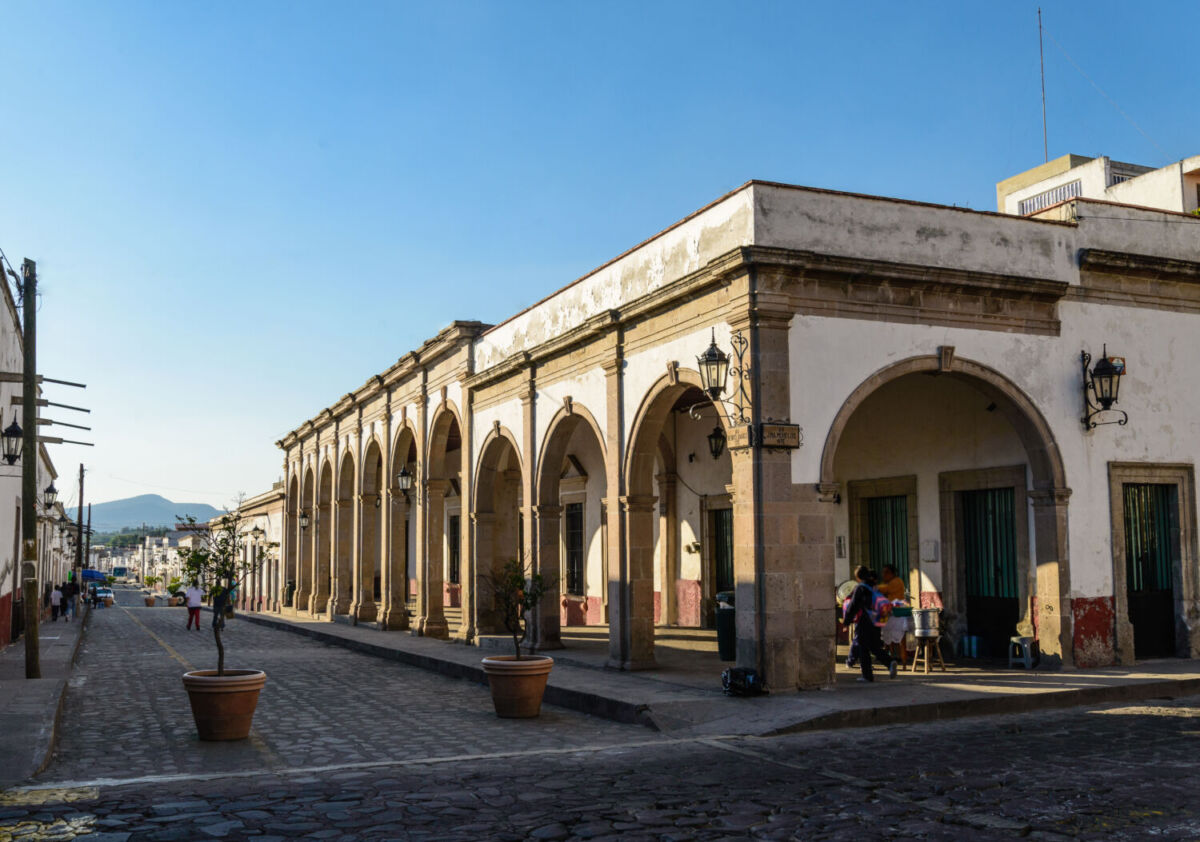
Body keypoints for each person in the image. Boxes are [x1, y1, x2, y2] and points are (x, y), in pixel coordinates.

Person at [842, 565, 897, 682]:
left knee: (863, 648)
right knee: (874, 646)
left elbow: (853, 606)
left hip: (864, 621)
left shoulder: (860, 588)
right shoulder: (874, 586)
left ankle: (867, 676)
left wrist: (846, 622)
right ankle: (890, 662)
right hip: (876, 621)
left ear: (857, 577)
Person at [879, 565, 911, 667]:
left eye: (885, 573)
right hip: (890, 612)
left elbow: (885, 589)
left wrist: (871, 587)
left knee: (900, 638)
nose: (883, 575)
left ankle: (902, 661)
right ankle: (890, 658)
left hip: (898, 613)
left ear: (891, 574)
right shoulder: (888, 583)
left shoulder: (896, 582)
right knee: (888, 636)